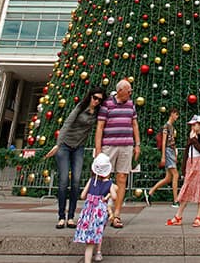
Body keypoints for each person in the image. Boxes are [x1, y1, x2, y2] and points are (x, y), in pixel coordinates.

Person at [45, 85, 106, 229]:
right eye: (95, 97)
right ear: (90, 96)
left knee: (76, 181)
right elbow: (67, 124)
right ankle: (61, 216)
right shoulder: (80, 107)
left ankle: (71, 216)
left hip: (79, 147)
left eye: (99, 100)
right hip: (65, 146)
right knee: (64, 180)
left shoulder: (97, 113)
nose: (96, 101)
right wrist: (58, 144)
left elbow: (101, 127)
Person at [94, 78, 141, 229]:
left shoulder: (131, 104)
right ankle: (104, 211)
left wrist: (137, 144)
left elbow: (134, 124)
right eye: (129, 90)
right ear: (121, 91)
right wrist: (98, 150)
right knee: (104, 179)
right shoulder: (107, 104)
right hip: (109, 146)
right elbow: (100, 127)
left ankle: (117, 214)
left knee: (122, 178)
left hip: (126, 146)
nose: (131, 93)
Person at [166, 114, 200, 227]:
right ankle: (178, 216)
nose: (192, 127)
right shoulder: (190, 136)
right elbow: (187, 152)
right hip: (191, 163)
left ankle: (198, 216)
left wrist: (194, 139)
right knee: (186, 188)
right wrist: (184, 168)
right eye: (191, 125)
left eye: (194, 124)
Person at [73, 152, 118, 263]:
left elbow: (83, 195)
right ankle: (97, 253)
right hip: (99, 213)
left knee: (89, 240)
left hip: (88, 212)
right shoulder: (109, 184)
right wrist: (107, 195)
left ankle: (90, 256)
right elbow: (115, 197)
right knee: (98, 231)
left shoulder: (91, 180)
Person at [144, 107, 179, 207]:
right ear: (172, 113)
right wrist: (163, 156)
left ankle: (150, 192)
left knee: (168, 178)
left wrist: (175, 153)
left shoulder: (171, 126)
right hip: (168, 151)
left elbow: (172, 141)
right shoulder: (166, 126)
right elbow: (164, 142)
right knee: (175, 175)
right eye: (176, 114)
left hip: (171, 151)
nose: (177, 117)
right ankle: (175, 200)